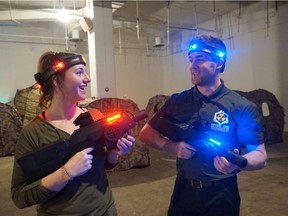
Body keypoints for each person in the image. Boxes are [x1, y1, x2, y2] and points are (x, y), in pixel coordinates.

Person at [139, 35, 267, 216]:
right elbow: (146, 134)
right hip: (184, 191)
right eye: (191, 60)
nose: (193, 65)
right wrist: (173, 146)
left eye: (200, 59)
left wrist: (239, 164)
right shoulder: (177, 101)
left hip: (222, 194)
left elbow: (260, 155)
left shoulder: (241, 106)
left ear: (219, 64)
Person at [11, 51, 135, 216]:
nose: (87, 78)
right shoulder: (33, 132)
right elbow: (19, 195)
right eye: (79, 72)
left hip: (105, 210)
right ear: (57, 80)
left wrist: (114, 153)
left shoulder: (94, 116)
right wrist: (66, 172)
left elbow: (104, 165)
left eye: (85, 71)